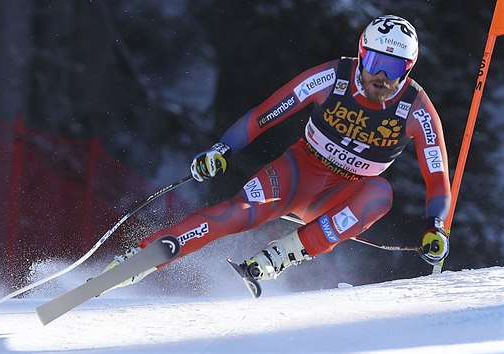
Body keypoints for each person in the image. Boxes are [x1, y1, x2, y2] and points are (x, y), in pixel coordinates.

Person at [106, 15, 451, 290]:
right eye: (375, 61)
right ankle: (136, 262)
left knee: (380, 193)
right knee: (234, 214)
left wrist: (436, 226)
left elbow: (437, 178)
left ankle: (282, 255)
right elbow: (264, 114)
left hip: (344, 196)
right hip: (299, 172)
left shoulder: (416, 110)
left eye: (394, 69)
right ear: (362, 53)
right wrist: (222, 149)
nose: (381, 76)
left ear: (408, 70)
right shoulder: (332, 78)